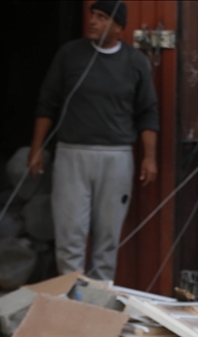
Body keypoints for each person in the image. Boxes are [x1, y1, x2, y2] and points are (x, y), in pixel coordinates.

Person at [29, 0, 158, 281]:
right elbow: (46, 104)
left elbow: (147, 111)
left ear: (119, 27)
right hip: (72, 154)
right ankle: (70, 298)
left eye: (102, 17)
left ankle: (98, 302)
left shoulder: (134, 61)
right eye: (93, 15)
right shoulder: (70, 55)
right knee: (70, 232)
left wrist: (149, 157)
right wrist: (36, 148)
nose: (93, 21)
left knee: (107, 236)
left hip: (117, 156)